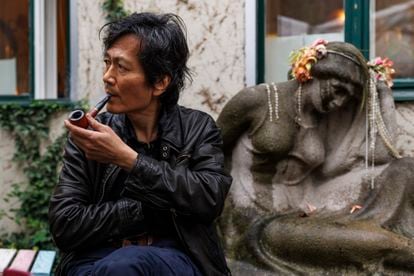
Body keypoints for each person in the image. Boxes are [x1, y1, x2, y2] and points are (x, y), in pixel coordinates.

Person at [48, 12, 232, 276]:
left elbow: (210, 198)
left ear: (159, 82)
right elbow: (65, 226)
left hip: (174, 257)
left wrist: (128, 160)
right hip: (96, 258)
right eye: (107, 63)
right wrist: (147, 210)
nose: (107, 77)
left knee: (127, 264)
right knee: (115, 267)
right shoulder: (92, 137)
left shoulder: (197, 128)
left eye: (121, 67)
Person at [217, 40, 414, 274]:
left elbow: (382, 156)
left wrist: (383, 96)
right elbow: (207, 152)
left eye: (347, 97)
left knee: (405, 168)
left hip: (306, 209)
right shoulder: (258, 99)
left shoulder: (323, 117)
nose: (339, 102)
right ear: (314, 71)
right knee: (376, 242)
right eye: (338, 89)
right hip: (257, 222)